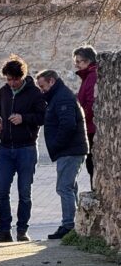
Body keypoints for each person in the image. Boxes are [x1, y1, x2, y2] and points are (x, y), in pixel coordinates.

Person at [0, 55, 46, 244]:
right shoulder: (3, 92)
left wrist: (24, 118)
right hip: (5, 148)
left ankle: (22, 230)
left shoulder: (34, 93)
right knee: (1, 191)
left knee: (24, 192)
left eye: (15, 79)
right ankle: (4, 231)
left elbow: (43, 117)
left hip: (26, 148)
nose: (12, 83)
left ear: (22, 77)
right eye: (9, 79)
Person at [36, 69, 89, 239]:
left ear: (51, 81)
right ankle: (75, 223)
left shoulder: (62, 97)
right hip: (70, 150)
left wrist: (57, 145)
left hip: (69, 150)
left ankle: (68, 225)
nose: (41, 90)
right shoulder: (58, 96)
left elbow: (68, 125)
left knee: (64, 187)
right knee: (69, 187)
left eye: (43, 86)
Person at [73, 45, 98, 190]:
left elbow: (90, 104)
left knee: (92, 165)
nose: (76, 65)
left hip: (90, 128)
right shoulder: (88, 76)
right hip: (89, 127)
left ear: (88, 61)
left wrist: (80, 120)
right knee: (90, 166)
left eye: (79, 61)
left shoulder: (92, 76)